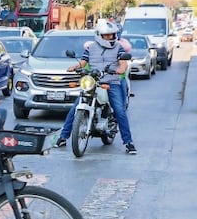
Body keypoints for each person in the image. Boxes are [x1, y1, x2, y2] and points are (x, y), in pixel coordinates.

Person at [56, 20, 137, 155]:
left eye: (112, 35)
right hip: (93, 81)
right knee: (75, 107)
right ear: (100, 35)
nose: (111, 37)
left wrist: (119, 70)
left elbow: (123, 64)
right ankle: (63, 137)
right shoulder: (91, 48)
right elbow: (83, 62)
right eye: (108, 35)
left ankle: (128, 143)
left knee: (119, 111)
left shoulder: (118, 47)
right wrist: (75, 67)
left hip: (111, 82)